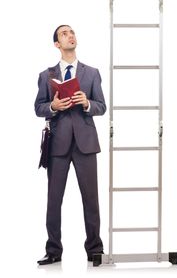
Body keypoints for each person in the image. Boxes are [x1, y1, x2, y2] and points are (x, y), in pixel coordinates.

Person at [35, 25, 106, 265]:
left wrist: (87, 103)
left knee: (91, 199)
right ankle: (53, 250)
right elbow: (38, 108)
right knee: (54, 199)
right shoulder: (46, 75)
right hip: (58, 145)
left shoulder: (92, 73)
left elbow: (101, 106)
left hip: (85, 143)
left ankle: (95, 249)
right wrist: (53, 107)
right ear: (57, 44)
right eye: (64, 34)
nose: (70, 35)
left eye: (72, 32)